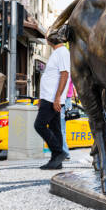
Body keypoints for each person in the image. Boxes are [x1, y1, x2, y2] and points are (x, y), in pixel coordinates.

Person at [34, 36, 70, 170]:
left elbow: (65, 75)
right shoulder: (58, 53)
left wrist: (57, 98)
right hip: (48, 97)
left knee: (39, 125)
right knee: (55, 128)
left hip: (52, 99)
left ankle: (59, 152)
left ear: (50, 40)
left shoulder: (62, 52)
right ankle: (56, 161)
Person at [60, 77, 75, 160]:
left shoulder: (67, 71)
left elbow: (66, 86)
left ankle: (65, 153)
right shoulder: (70, 70)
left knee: (61, 129)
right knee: (62, 129)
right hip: (67, 100)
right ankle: (62, 151)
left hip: (64, 100)